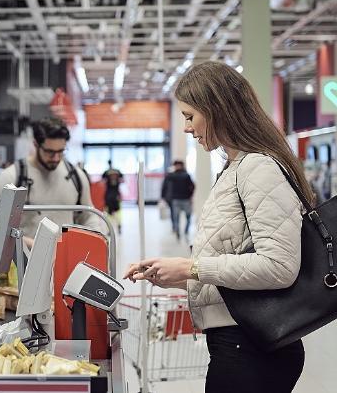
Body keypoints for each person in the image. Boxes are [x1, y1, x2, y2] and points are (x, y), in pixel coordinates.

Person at [123, 61, 313, 393]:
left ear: (217, 110)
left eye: (189, 116)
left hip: (253, 346)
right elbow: (238, 265)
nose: (186, 127)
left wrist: (192, 267)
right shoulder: (237, 167)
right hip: (241, 341)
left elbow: (280, 266)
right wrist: (180, 275)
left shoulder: (257, 167)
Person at [0, 117, 105, 243]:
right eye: (50, 152)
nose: (56, 158)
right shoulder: (12, 177)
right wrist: (33, 246)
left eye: (61, 151)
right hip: (25, 260)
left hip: (66, 259)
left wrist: (98, 240)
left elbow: (88, 216)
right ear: (36, 144)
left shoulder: (76, 176)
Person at [160, 160, 195, 240]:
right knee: (176, 217)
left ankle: (184, 230)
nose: (178, 167)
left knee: (185, 216)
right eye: (176, 165)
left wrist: (190, 196)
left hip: (182, 199)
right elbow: (192, 186)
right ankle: (178, 231)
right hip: (176, 199)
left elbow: (192, 186)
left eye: (179, 165)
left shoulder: (174, 175)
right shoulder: (183, 175)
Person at [101, 160, 123, 233]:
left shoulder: (106, 172)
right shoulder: (117, 171)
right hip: (116, 195)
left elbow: (102, 181)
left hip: (108, 195)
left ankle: (109, 229)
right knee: (118, 212)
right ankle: (119, 225)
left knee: (108, 213)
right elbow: (122, 180)